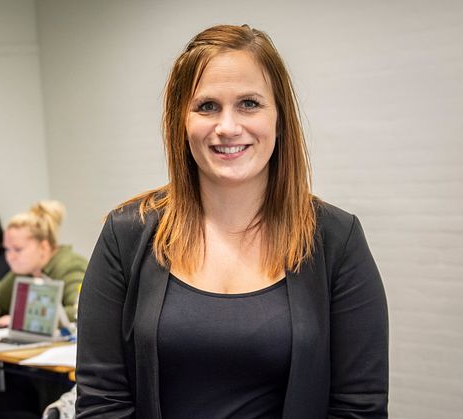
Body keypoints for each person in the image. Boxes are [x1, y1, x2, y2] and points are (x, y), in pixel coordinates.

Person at [75, 24, 389, 418]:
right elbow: (101, 403)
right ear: (180, 121)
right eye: (207, 106)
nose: (227, 126)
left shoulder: (336, 240)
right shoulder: (126, 235)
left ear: (279, 117)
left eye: (249, 104)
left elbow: (358, 408)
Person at [0, 200, 87, 327]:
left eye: (18, 249)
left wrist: (23, 320)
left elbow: (80, 311)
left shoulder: (71, 267)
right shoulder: (25, 270)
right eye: (7, 249)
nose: (10, 257)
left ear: (43, 247)